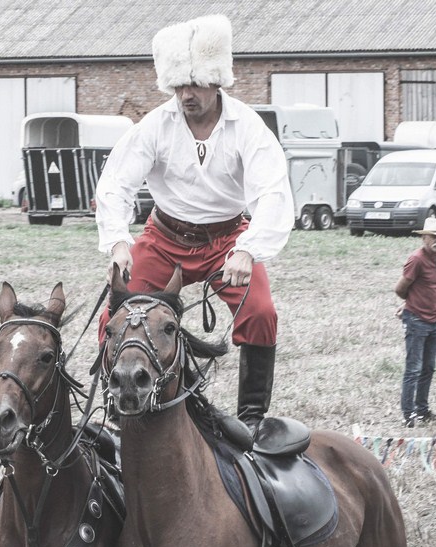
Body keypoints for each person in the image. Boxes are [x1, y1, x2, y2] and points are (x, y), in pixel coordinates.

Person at [94, 14, 294, 433]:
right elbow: (115, 183)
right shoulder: (155, 126)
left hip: (227, 239)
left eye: (195, 84)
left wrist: (247, 249)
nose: (186, 94)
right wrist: (117, 241)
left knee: (260, 311)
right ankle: (116, 407)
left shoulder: (247, 128)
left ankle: (252, 419)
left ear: (217, 81)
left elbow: (273, 192)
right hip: (164, 237)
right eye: (179, 85)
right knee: (115, 313)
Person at [393, 216, 436, 427]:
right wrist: (409, 305)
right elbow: (400, 288)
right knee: (413, 369)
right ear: (424, 237)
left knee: (428, 368)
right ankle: (408, 415)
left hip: (432, 319)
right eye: (434, 236)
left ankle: (422, 410)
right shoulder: (416, 259)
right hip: (416, 320)